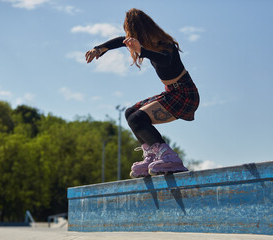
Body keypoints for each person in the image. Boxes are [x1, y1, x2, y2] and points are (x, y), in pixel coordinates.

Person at [85, 8, 199, 178]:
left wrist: (142, 51)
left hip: (185, 94)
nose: (132, 41)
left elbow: (166, 60)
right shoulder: (145, 44)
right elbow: (119, 41)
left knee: (138, 118)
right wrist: (99, 49)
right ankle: (152, 154)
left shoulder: (164, 44)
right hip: (172, 92)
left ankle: (169, 157)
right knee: (130, 113)